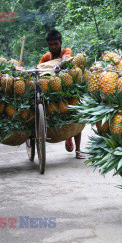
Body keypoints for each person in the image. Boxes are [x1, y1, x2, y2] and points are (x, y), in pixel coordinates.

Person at [39, 30, 84, 159]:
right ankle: (66, 136)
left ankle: (78, 149)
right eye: (50, 44)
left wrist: (60, 64)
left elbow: (66, 58)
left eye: (56, 44)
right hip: (52, 92)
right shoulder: (46, 57)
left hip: (68, 89)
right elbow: (39, 68)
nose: (53, 47)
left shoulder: (65, 51)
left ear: (60, 43)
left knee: (76, 114)